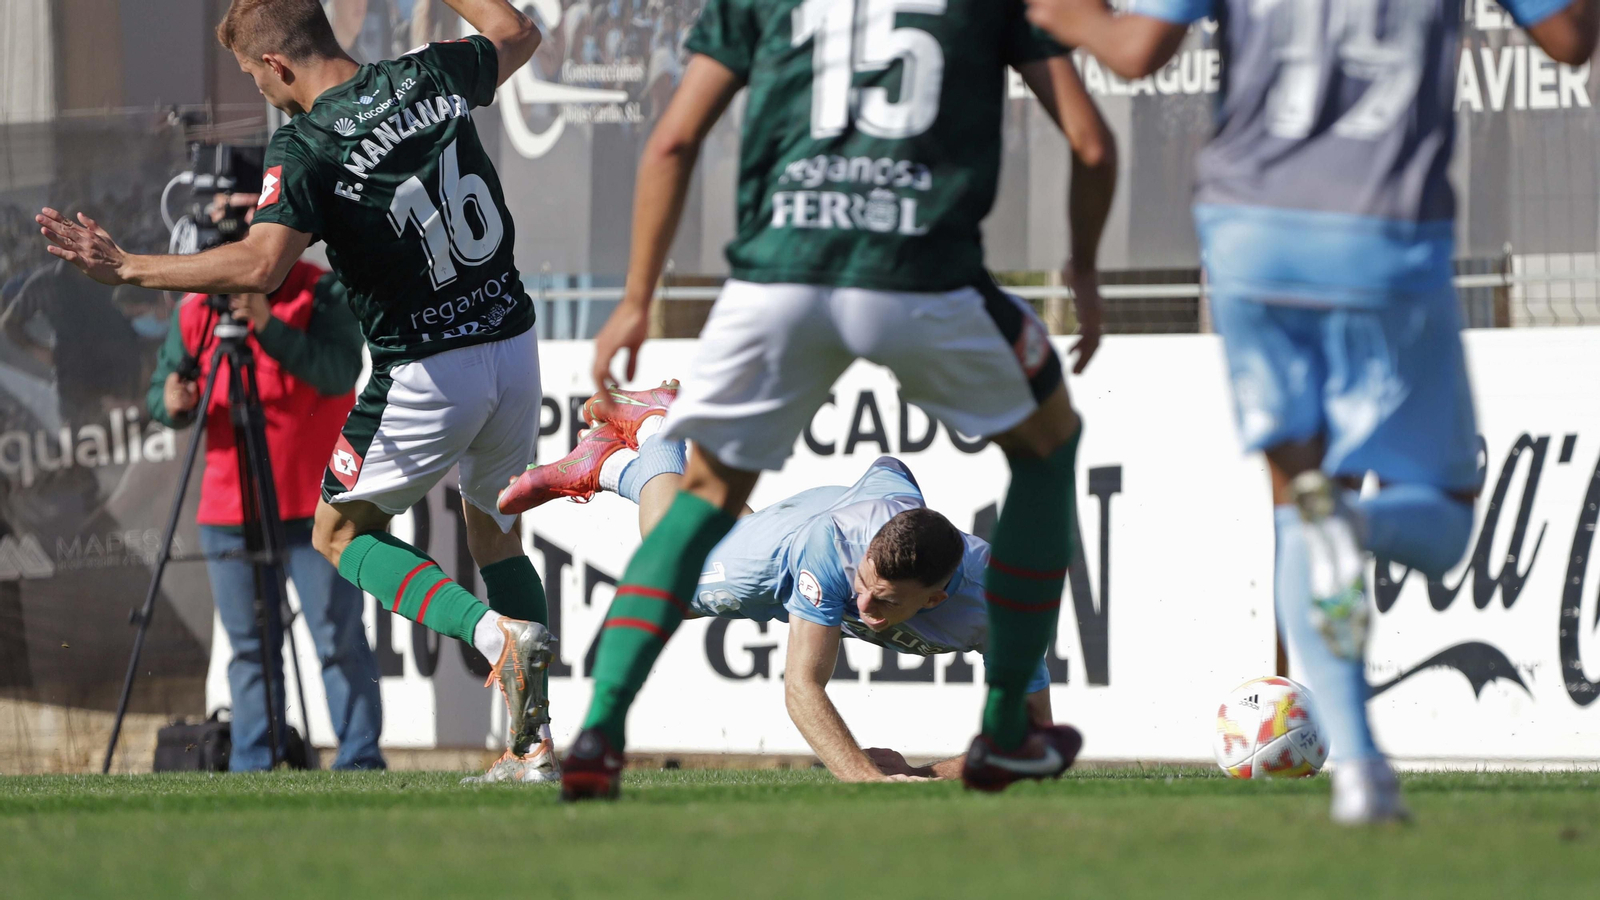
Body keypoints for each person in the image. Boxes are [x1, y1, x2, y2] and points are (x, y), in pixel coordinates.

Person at [511, 0, 1119, 800]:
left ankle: (599, 735)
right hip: (923, 272)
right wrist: (1082, 264)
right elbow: (1091, 141)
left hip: (781, 276)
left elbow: (673, 137)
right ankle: (1008, 730)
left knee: (702, 505)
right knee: (1049, 446)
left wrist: (635, 296)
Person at [1021, 0, 1597, 822]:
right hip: (1386, 240)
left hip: (1249, 239)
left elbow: (1137, 52)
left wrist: (1065, 14)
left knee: (1298, 504)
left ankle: (1361, 770)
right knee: (1443, 522)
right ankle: (1352, 533)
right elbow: (1572, 39)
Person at [38, 0, 558, 783]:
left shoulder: (307, 144)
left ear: (277, 65)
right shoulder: (428, 73)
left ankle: (492, 638)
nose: (259, 92)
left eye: (253, 77)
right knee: (495, 533)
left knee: (341, 538)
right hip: (514, 345)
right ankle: (534, 745)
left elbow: (259, 267)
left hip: (428, 365)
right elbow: (519, 30)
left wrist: (129, 268)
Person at [509, 384, 1055, 781]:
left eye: (884, 601)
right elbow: (802, 687)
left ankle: (609, 463)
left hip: (846, 515)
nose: (861, 606)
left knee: (722, 532)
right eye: (863, 585)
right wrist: (866, 781)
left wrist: (923, 774)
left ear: (936, 598)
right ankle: (657, 426)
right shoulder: (835, 548)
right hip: (804, 537)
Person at [147, 187, 385, 771]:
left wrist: (267, 325)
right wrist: (172, 402)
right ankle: (254, 764)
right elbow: (160, 390)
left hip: (317, 506)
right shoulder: (198, 308)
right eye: (230, 223)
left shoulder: (323, 289)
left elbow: (338, 373)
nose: (242, 233)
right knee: (251, 650)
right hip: (230, 512)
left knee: (337, 641)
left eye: (252, 218)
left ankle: (359, 759)